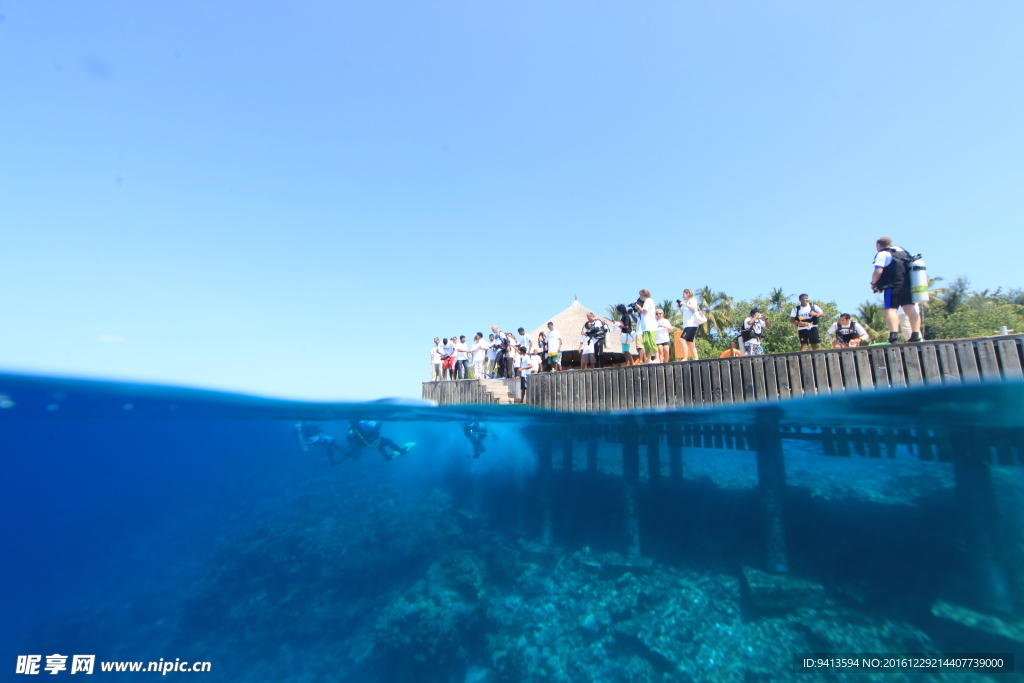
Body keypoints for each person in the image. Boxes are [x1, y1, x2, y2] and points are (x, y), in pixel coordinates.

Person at [871, 236, 922, 343]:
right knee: (910, 309)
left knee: (890, 310)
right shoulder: (903, 252)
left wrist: (873, 283)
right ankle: (916, 334)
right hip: (907, 285)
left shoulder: (883, 253)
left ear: (879, 245)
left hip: (892, 286)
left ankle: (894, 336)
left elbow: (878, 271)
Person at [296, 421, 413, 465]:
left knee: (380, 442)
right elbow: (376, 426)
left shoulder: (352, 427)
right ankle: (401, 452)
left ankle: (387, 457)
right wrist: (378, 423)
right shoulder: (363, 421)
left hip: (363, 444)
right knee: (387, 441)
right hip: (369, 441)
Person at [678, 289, 700, 361]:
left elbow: (694, 308)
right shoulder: (688, 302)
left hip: (691, 324)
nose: (682, 296)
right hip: (688, 325)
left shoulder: (692, 300)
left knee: (682, 340)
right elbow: (685, 314)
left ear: (688, 294)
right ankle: (696, 358)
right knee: (690, 342)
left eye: (683, 294)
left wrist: (685, 304)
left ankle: (685, 358)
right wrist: (679, 308)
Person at [636, 289, 657, 363]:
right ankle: (648, 359)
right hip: (646, 326)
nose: (640, 296)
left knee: (651, 342)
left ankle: (657, 358)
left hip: (650, 325)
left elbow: (644, 311)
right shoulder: (647, 301)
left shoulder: (648, 300)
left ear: (644, 295)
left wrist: (637, 306)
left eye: (641, 295)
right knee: (647, 343)